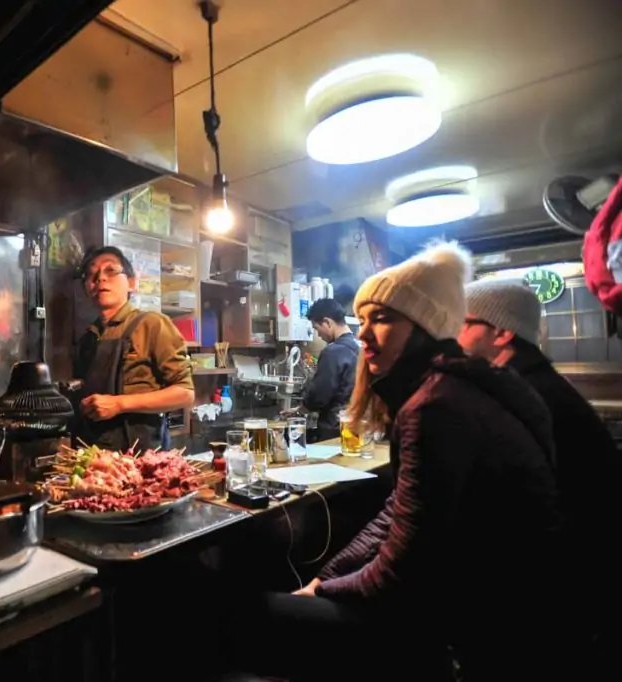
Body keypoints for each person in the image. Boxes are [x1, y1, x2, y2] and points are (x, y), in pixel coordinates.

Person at [226, 242, 567, 682]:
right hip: (487, 602)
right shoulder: (464, 385)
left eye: (382, 319)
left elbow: (404, 569)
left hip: (479, 626)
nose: (363, 334)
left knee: (239, 618)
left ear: (423, 326)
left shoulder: (435, 406)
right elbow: (396, 515)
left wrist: (322, 589)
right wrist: (326, 577)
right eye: (362, 319)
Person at [460, 278, 617, 670]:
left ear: (501, 332)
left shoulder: (521, 393)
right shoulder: (534, 380)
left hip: (560, 590)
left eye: (463, 323)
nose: (452, 335)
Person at [72, 246, 194, 452]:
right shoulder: (87, 339)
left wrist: (120, 404)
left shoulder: (152, 324)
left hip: (142, 458)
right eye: (91, 275)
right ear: (86, 288)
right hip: (97, 457)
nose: (100, 278)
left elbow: (185, 393)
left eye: (111, 271)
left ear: (131, 283)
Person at [300, 298, 359, 441]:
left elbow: (320, 393)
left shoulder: (333, 351)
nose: (318, 335)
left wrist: (303, 408)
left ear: (327, 322)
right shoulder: (359, 348)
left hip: (333, 429)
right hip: (356, 425)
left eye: (316, 328)